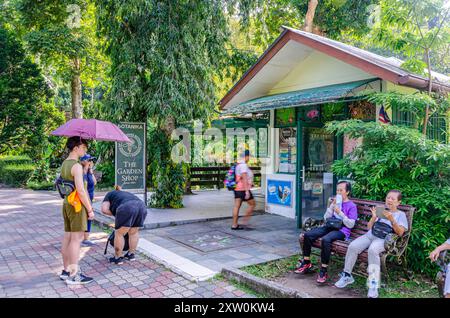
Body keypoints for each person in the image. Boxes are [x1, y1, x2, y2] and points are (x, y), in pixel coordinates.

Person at [335, 190, 409, 298]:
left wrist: (392, 219)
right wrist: (374, 217)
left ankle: (373, 285)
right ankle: (347, 275)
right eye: (388, 197)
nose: (389, 200)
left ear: (398, 202)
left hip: (384, 239)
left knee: (373, 250)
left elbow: (400, 233)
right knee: (353, 246)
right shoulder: (381, 210)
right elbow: (369, 228)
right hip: (370, 235)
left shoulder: (400, 215)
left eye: (393, 199)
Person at [295, 181, 357, 284]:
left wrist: (340, 213)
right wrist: (331, 207)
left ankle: (323, 270)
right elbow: (326, 218)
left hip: (342, 230)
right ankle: (306, 263)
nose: (338, 192)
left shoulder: (352, 206)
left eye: (341, 190)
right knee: (308, 235)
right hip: (330, 226)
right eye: (337, 190)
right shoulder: (335, 202)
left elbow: (351, 225)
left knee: (326, 240)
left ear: (347, 192)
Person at [59, 136, 95, 285]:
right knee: (76, 239)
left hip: (67, 203)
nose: (85, 150)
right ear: (76, 148)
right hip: (77, 206)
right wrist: (90, 209)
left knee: (68, 237)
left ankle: (66, 270)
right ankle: (74, 275)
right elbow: (80, 190)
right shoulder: (77, 166)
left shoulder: (65, 164)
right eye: (83, 147)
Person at [101, 186, 147, 264]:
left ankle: (118, 258)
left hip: (127, 207)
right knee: (133, 232)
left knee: (119, 233)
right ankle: (131, 255)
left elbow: (104, 210)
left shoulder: (109, 194)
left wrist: (118, 214)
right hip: (142, 206)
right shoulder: (125, 193)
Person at [231, 150, 255, 230]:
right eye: (249, 156)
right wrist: (247, 191)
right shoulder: (243, 165)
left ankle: (234, 225)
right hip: (243, 189)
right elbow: (244, 178)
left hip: (237, 188)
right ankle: (244, 222)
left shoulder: (238, 164)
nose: (249, 158)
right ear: (246, 156)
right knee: (252, 204)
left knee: (236, 206)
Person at [80, 154, 97, 247]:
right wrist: (86, 169)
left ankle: (85, 238)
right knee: (87, 217)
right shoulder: (82, 172)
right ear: (83, 161)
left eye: (91, 161)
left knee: (88, 218)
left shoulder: (89, 172)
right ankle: (85, 239)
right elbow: (84, 187)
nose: (91, 162)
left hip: (90, 197)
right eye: (89, 160)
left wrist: (90, 170)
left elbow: (94, 182)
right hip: (85, 198)